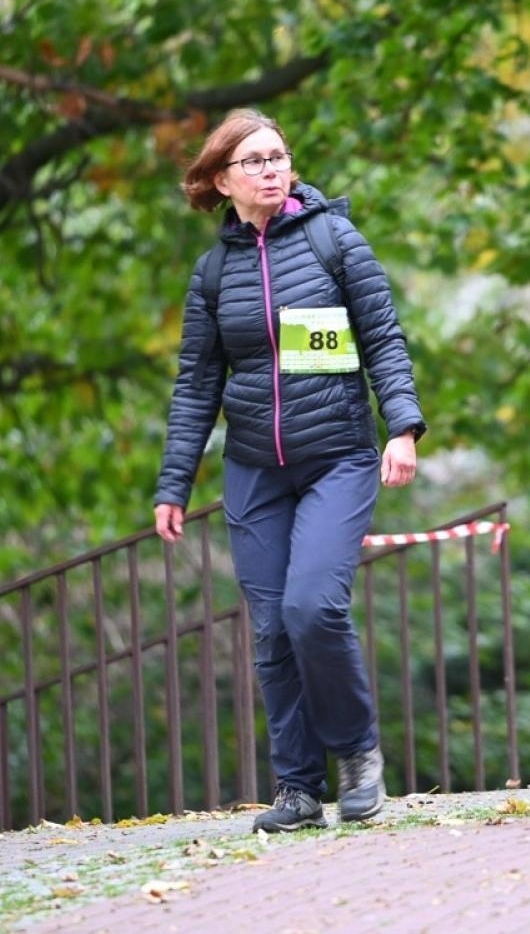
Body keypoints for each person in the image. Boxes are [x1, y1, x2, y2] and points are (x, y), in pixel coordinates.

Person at [154, 108, 426, 832]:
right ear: (222, 180)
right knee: (272, 628)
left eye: (280, 156)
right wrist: (173, 483)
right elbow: (195, 385)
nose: (273, 169)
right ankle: (299, 788)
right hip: (253, 469)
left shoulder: (337, 240)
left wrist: (402, 425)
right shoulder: (213, 273)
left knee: (313, 606)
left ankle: (358, 754)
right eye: (256, 160)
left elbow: (383, 338)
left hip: (337, 453)